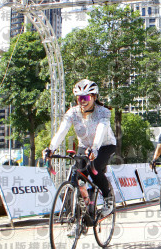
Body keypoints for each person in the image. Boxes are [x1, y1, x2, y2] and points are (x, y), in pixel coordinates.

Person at [43, 79, 116, 228]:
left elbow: (101, 130)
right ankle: (81, 215)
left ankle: (107, 197)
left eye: (86, 97)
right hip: (84, 146)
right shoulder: (72, 112)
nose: (82, 101)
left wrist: (95, 148)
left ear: (94, 97)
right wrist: (51, 149)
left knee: (94, 167)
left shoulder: (103, 112)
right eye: (79, 98)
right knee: (77, 176)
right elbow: (62, 130)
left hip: (105, 145)